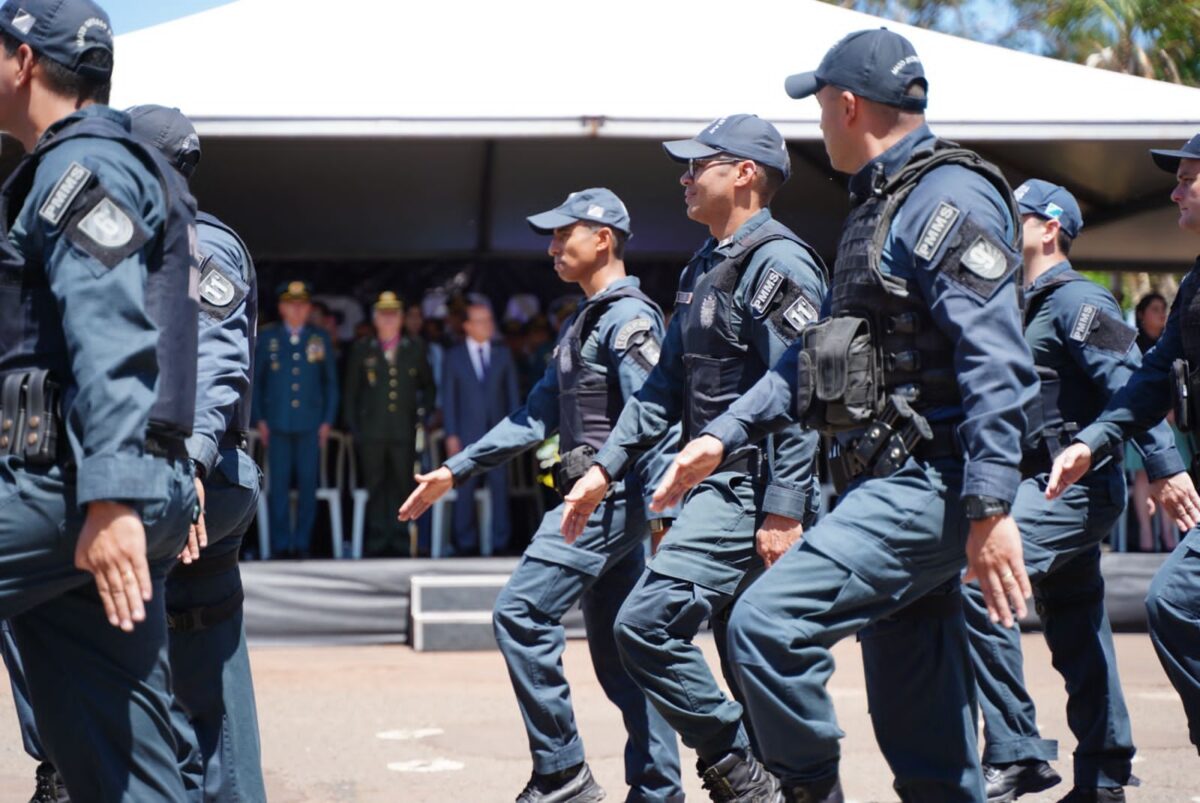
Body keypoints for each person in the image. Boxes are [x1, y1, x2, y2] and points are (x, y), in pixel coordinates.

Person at [649, 30, 1039, 801]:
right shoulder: (878, 206)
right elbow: (808, 356)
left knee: (764, 625)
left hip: (933, 482)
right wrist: (719, 437)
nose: (817, 121)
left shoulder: (944, 198)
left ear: (849, 104)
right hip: (882, 482)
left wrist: (991, 504)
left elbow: (998, 360)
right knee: (922, 736)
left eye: (821, 104)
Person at [4, 103, 269, 803]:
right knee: (147, 664)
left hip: (196, 474)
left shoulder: (192, 241)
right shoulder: (174, 231)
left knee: (196, 668)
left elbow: (216, 364)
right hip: (170, 469)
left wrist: (194, 462)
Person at [562, 115, 828, 799]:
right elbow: (661, 388)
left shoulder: (779, 263)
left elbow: (803, 390)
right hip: (718, 491)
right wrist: (603, 468)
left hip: (753, 489)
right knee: (751, 664)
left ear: (744, 173)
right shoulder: (704, 266)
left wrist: (784, 508)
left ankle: (733, 763)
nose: (683, 177)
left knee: (645, 624)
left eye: (697, 165)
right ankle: (772, 781)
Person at [401, 188, 683, 803]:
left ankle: (563, 774)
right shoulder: (584, 320)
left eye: (565, 235)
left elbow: (656, 418)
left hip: (603, 503)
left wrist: (666, 521)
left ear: (603, 239)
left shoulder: (631, 320)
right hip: (598, 501)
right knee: (626, 657)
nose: (553, 247)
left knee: (521, 615)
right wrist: (456, 469)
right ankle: (659, 790)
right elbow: (535, 417)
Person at [0, 0, 202, 797]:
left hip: (72, 484)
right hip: (93, 495)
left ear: (22, 61)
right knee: (123, 764)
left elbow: (110, 328)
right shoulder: (90, 163)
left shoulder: (81, 168)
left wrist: (111, 496)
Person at [961, 180, 1180, 802]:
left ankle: (1016, 749)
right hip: (1038, 484)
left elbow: (1134, 385)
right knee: (1077, 626)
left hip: (1071, 488)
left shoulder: (1081, 303)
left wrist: (1164, 467)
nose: (1004, 223)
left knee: (978, 584)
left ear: (1049, 227)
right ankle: (1104, 775)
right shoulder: (1020, 304)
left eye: (1016, 215)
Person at [1049, 132, 1200, 777]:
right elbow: (1149, 379)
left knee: (1176, 597)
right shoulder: (1194, 288)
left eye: (1187, 177)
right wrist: (1092, 440)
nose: (1174, 190)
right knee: (1174, 599)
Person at [343, 291, 436, 556]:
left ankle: (399, 539)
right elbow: (351, 393)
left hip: (403, 430)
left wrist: (422, 414)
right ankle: (376, 540)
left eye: (394, 314)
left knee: (400, 484)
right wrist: (355, 425)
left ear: (402, 318)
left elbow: (429, 387)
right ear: (375, 319)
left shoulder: (413, 348)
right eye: (383, 314)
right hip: (371, 431)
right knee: (375, 484)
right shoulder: (363, 349)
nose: (388, 319)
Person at [252, 280, 339, 558]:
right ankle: (279, 545)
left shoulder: (319, 338)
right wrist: (260, 419)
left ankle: (302, 544)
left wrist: (327, 420)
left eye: (302, 305)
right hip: (277, 423)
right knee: (277, 487)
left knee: (306, 487)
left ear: (309, 308)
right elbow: (256, 382)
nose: (297, 309)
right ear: (281, 308)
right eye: (292, 304)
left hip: (309, 424)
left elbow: (330, 384)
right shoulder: (269, 338)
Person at [441, 299, 520, 554]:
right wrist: (451, 433)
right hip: (466, 434)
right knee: (465, 490)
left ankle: (499, 542)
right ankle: (465, 542)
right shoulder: (454, 357)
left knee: (500, 488)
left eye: (489, 320)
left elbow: (513, 397)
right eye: (480, 321)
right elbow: (449, 399)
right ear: (466, 325)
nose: (487, 326)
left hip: (499, 434)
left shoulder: (502, 353)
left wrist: (516, 431)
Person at [1127, 292, 1184, 552]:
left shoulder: (1170, 344)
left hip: (1171, 423)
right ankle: (1146, 535)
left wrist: (1172, 409)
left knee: (1170, 470)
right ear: (1141, 314)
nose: (1161, 314)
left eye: (1164, 309)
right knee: (1142, 475)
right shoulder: (1131, 344)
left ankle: (1168, 534)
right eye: (1155, 309)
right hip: (1140, 419)